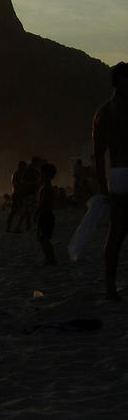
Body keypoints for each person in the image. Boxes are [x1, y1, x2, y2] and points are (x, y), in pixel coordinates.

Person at [94, 62, 128, 300]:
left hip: (118, 175)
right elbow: (98, 153)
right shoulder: (105, 112)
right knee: (116, 233)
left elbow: (98, 153)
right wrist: (101, 183)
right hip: (120, 174)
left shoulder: (104, 111)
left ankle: (110, 285)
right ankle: (109, 285)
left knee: (116, 233)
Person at [36, 162, 58, 265]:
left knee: (44, 238)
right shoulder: (46, 186)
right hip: (47, 214)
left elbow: (44, 203)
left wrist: (38, 212)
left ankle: (50, 258)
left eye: (41, 173)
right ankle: (50, 258)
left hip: (46, 215)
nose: (40, 175)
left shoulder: (47, 187)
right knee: (44, 238)